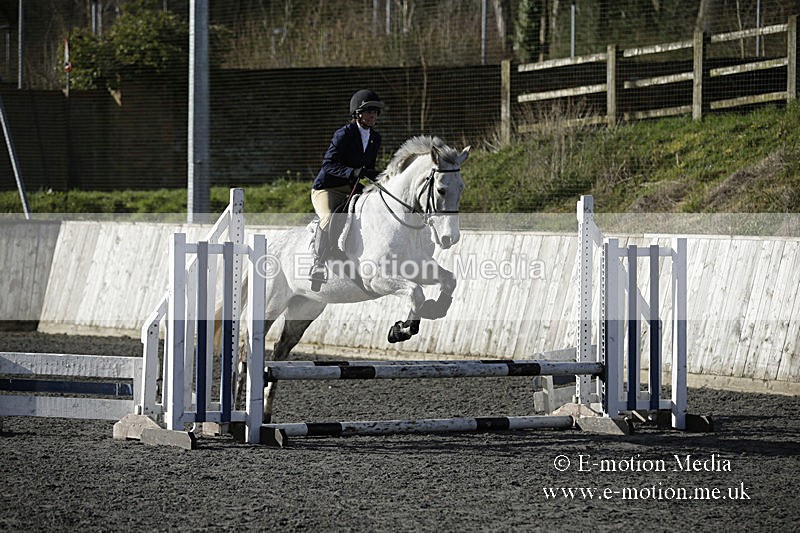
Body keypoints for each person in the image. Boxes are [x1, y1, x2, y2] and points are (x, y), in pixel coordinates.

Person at [308, 89, 384, 290]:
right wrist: (353, 172)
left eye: (375, 112)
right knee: (328, 218)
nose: (373, 116)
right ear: (357, 113)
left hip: (352, 188)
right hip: (327, 188)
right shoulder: (343, 134)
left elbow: (368, 169)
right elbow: (328, 165)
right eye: (369, 111)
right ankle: (318, 264)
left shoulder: (375, 138)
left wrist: (381, 177)